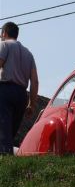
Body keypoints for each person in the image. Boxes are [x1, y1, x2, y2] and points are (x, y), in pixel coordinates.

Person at [0, 22, 39, 154]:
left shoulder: (4, 45)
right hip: (21, 95)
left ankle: (6, 162)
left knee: (3, 131)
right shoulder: (29, 54)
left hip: (5, 91)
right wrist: (32, 104)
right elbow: (35, 81)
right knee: (10, 133)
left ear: (4, 33)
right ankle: (7, 160)